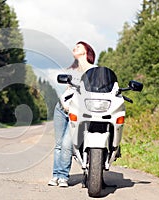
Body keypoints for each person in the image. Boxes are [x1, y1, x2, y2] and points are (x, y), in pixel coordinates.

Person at [48, 41, 96, 187]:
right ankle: (55, 176)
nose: (75, 48)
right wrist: (63, 104)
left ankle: (63, 176)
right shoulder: (72, 70)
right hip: (61, 108)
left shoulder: (94, 70)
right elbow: (68, 91)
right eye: (74, 46)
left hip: (78, 112)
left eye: (79, 46)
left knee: (67, 144)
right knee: (58, 145)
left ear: (87, 51)